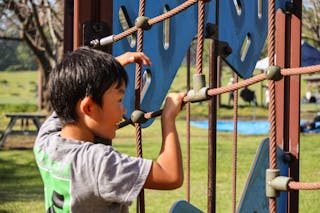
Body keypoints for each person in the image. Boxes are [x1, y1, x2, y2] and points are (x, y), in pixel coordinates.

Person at [33, 47, 185, 213]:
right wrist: (168, 117)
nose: (124, 110)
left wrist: (108, 70)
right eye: (119, 100)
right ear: (89, 107)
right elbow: (170, 176)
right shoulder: (98, 163)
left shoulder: (45, 143)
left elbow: (68, 97)